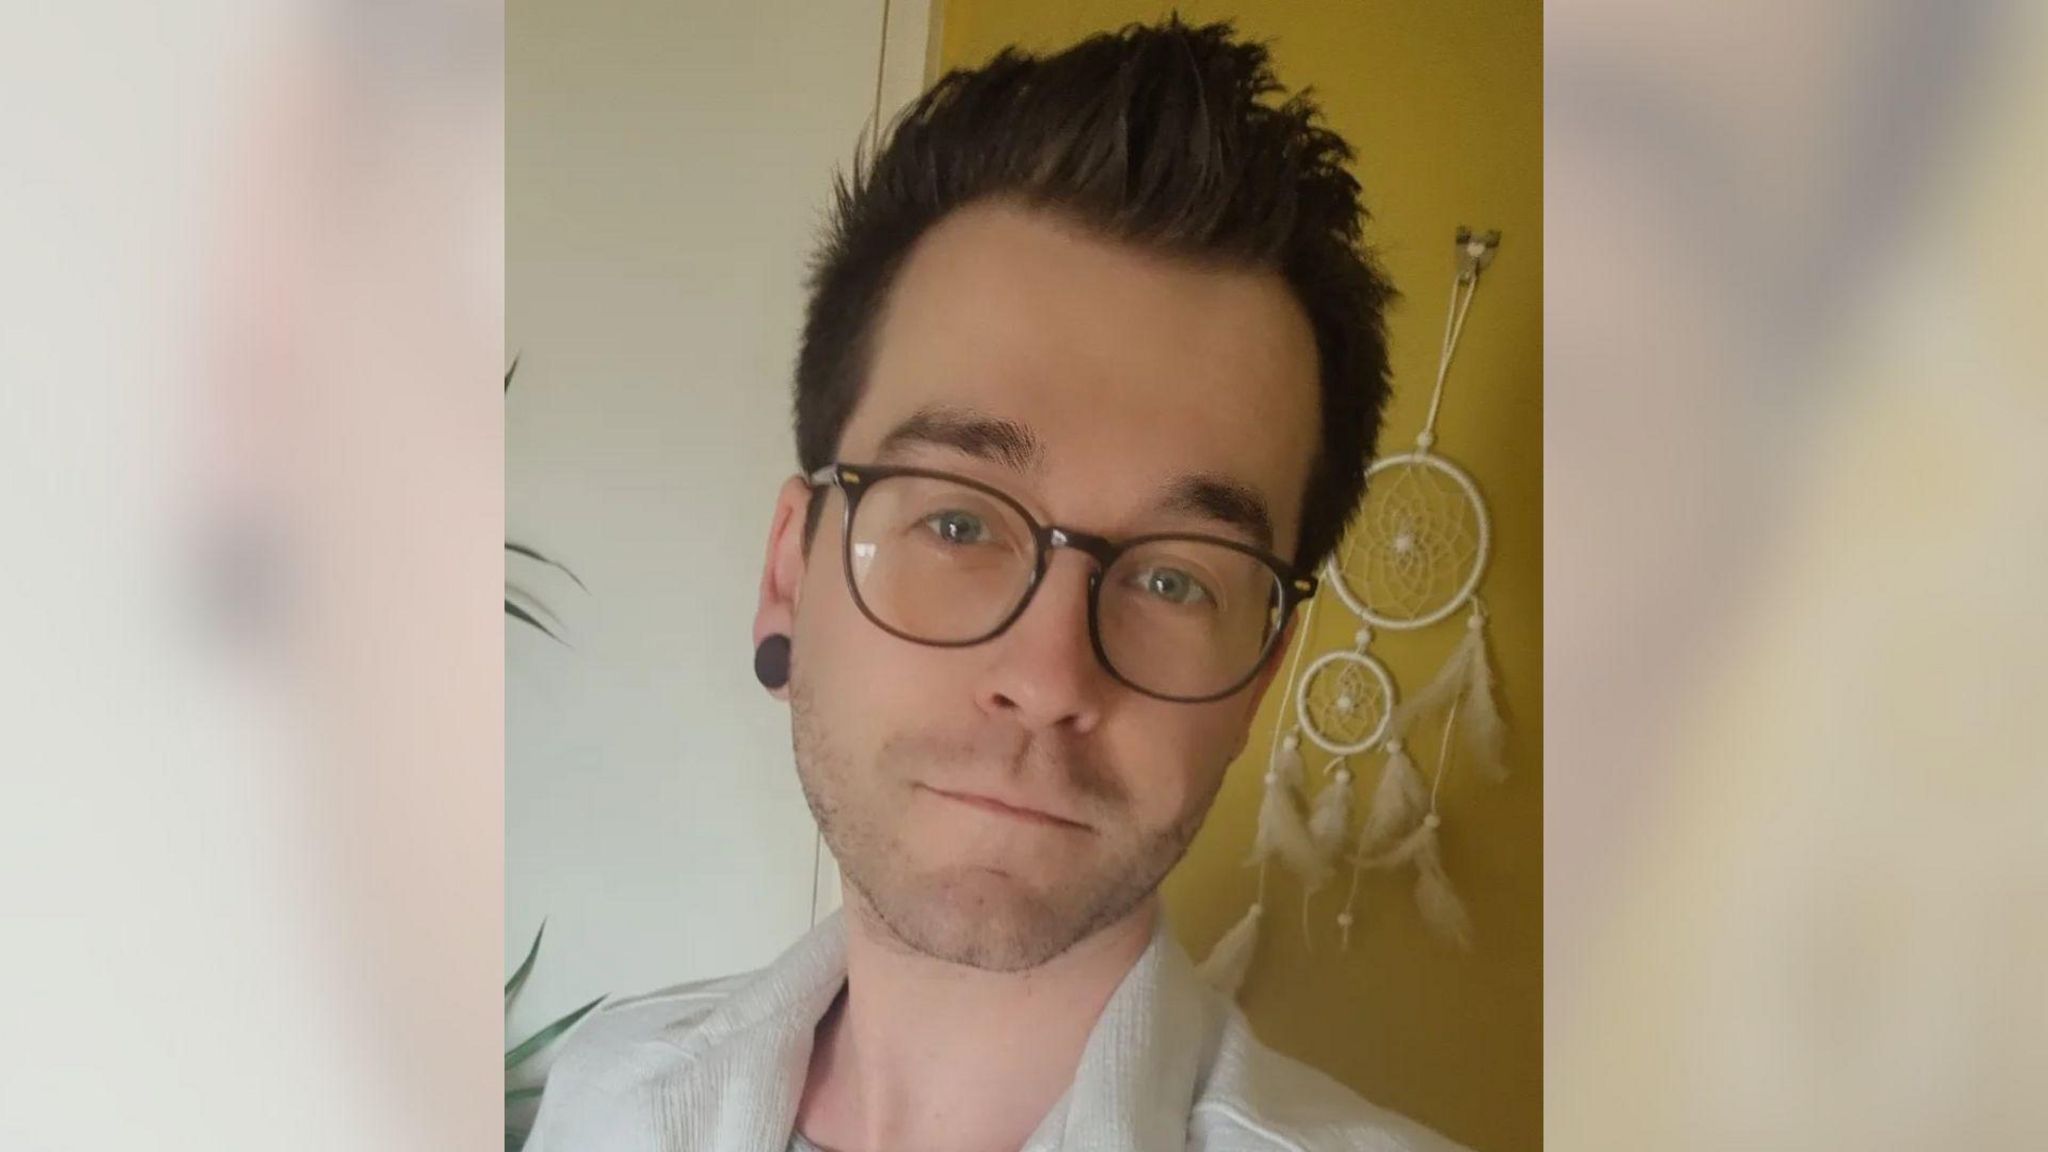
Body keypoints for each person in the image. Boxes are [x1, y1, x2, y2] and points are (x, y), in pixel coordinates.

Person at [529, 18, 1468, 1152]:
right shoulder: (602, 1095)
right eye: (959, 520)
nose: (1044, 674)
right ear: (790, 574)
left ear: (1259, 678)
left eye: (1174, 581)